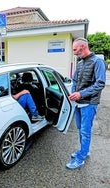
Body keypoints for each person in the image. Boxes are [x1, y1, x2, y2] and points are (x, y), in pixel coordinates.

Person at [66, 37, 107, 169]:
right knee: (80, 129)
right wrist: (74, 93)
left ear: (83, 47)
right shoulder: (80, 64)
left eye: (75, 49)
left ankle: (80, 158)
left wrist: (81, 94)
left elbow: (100, 84)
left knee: (85, 131)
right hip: (78, 102)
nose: (74, 52)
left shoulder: (98, 62)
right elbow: (75, 80)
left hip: (89, 103)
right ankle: (85, 150)